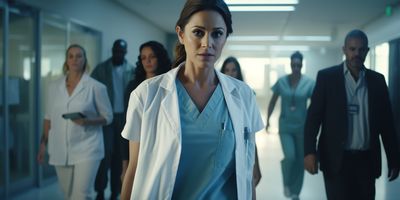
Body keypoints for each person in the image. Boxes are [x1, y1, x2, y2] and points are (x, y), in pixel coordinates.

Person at [120, 0, 264, 199]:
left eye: (217, 33)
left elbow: (246, 174)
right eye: (198, 32)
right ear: (181, 34)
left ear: (225, 38)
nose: (207, 43)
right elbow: (134, 169)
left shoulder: (243, 95)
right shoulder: (146, 94)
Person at [304, 29, 400, 200]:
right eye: (352, 49)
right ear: (344, 50)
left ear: (367, 51)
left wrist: (394, 158)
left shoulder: (377, 81)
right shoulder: (327, 77)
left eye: (361, 49)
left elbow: (387, 124)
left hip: (366, 161)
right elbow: (313, 118)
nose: (357, 53)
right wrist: (309, 152)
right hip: (336, 160)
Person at [37, 44, 113, 200]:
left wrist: (87, 121)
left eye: (79, 56)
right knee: (67, 194)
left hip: (88, 147)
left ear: (85, 60)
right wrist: (42, 145)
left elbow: (108, 117)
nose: (74, 59)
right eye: (70, 56)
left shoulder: (96, 87)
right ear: (66, 60)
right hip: (60, 148)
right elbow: (48, 117)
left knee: (81, 195)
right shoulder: (53, 87)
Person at [266, 51, 315, 200]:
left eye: (298, 65)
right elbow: (273, 101)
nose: (295, 68)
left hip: (302, 128)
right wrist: (268, 120)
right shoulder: (281, 82)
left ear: (301, 65)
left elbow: (316, 105)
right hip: (285, 127)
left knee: (301, 160)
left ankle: (296, 192)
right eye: (293, 65)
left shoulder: (309, 83)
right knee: (291, 157)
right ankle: (287, 182)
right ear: (290, 64)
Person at [120, 40, 171, 181]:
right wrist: (125, 166)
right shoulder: (134, 87)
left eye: (152, 56)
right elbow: (128, 126)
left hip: (165, 148)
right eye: (143, 58)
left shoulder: (171, 83)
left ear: (159, 58)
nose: (147, 61)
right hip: (140, 147)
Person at [91, 39, 135, 200]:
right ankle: (100, 190)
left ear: (125, 52)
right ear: (112, 50)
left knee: (120, 155)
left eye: (121, 52)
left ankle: (115, 191)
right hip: (106, 118)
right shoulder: (101, 69)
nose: (118, 54)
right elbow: (91, 92)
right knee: (105, 154)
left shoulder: (132, 69)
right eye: (116, 51)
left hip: (125, 118)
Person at [220, 56, 262, 199]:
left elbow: (250, 135)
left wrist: (256, 164)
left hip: (242, 152)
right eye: (227, 70)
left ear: (239, 72)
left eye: (234, 70)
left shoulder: (247, 94)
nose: (230, 74)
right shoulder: (215, 94)